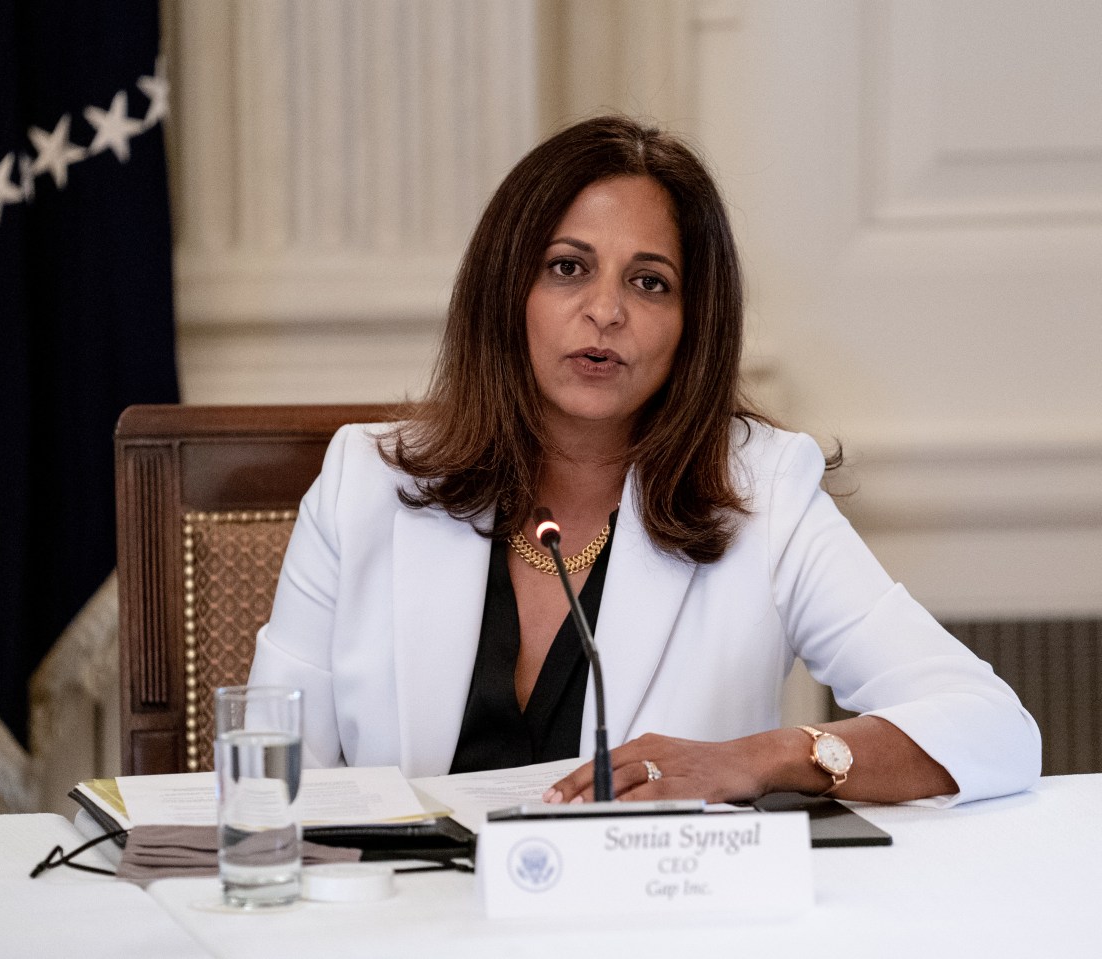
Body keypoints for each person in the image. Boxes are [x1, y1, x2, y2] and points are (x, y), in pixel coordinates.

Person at [247, 115, 1040, 806]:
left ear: (693, 324)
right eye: (567, 267)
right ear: (506, 291)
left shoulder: (764, 493)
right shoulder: (365, 484)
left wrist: (761, 757)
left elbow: (991, 726)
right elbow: (268, 786)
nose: (606, 310)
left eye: (650, 282)